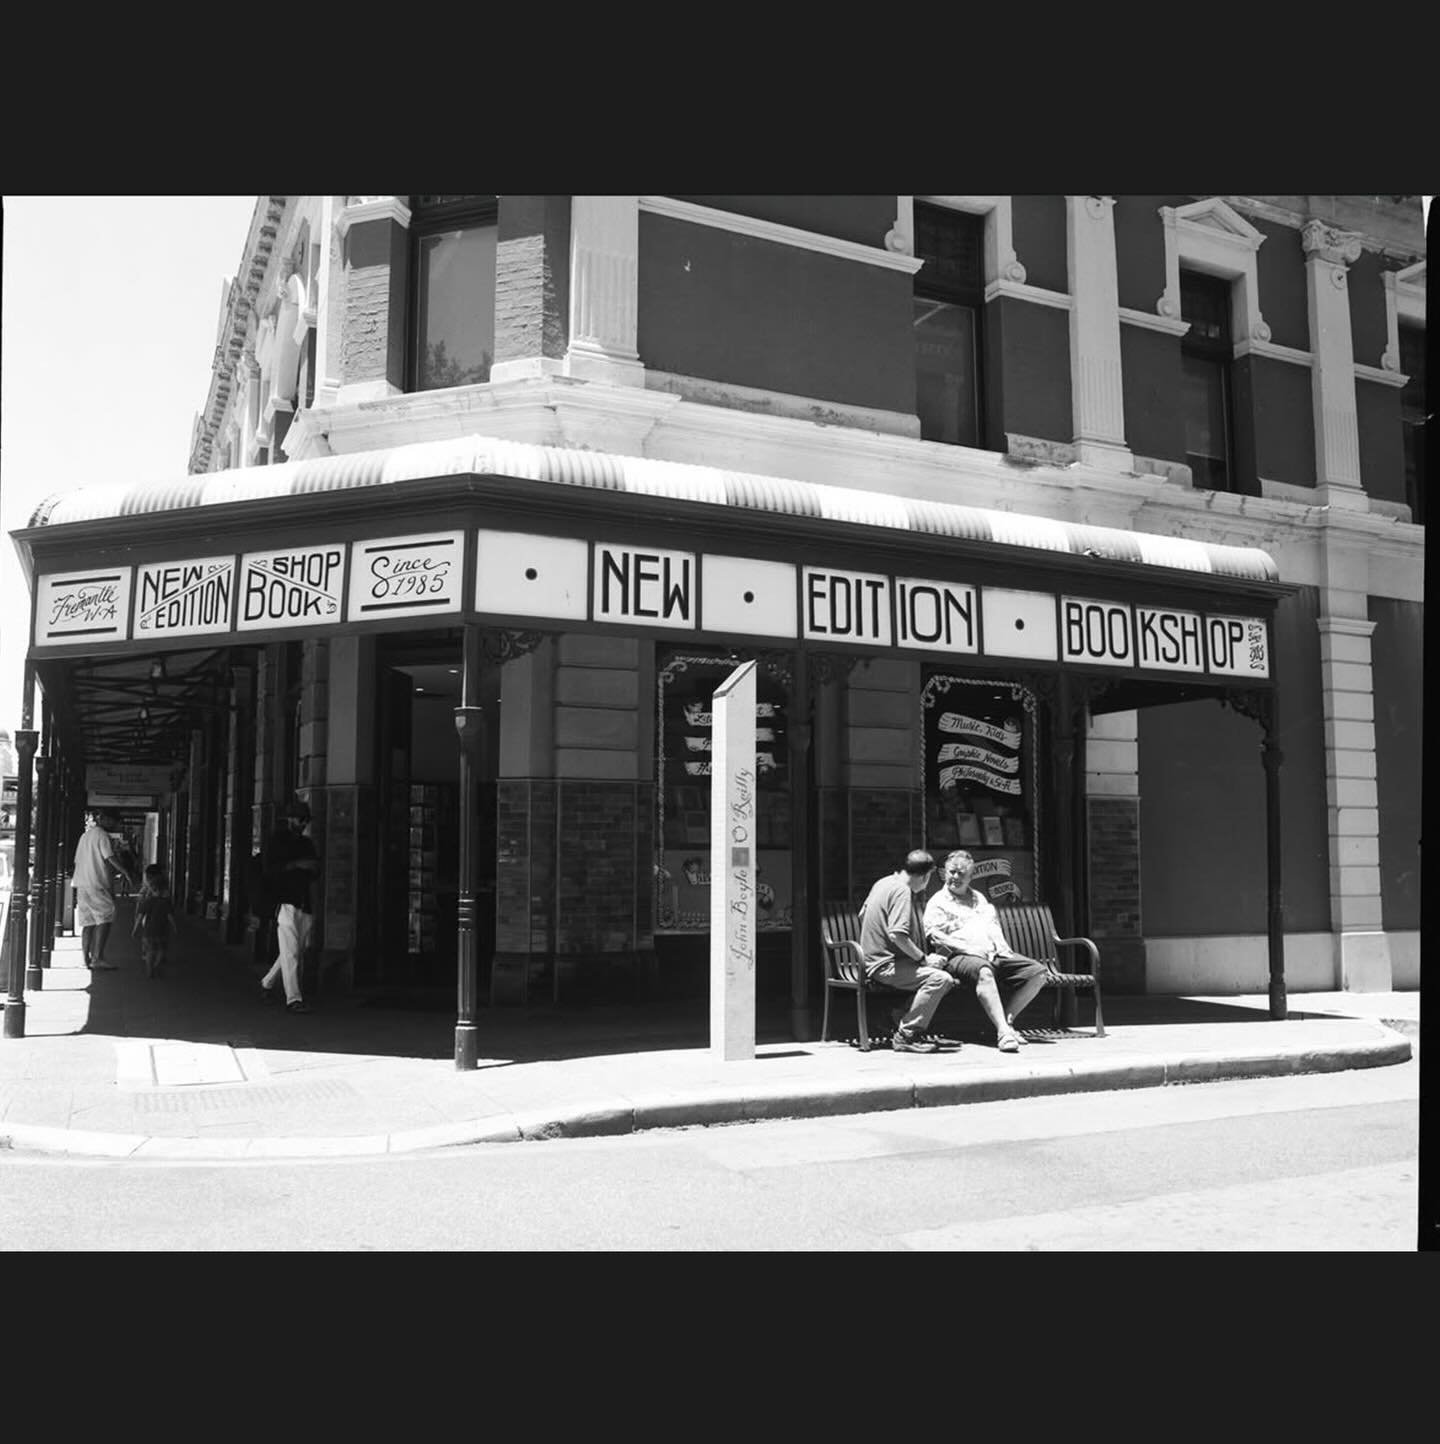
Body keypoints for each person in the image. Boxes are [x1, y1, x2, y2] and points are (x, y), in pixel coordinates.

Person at [922, 849, 1049, 1053]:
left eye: (960, 873)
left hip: (992, 953)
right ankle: (1003, 1033)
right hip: (959, 957)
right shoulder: (938, 902)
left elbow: (992, 925)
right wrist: (968, 948)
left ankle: (1007, 1020)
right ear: (945, 872)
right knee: (985, 972)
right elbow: (935, 935)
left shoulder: (979, 898)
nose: (954, 877)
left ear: (970, 876)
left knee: (1039, 973)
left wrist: (1002, 948)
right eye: (951, 872)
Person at [857, 849, 959, 1054]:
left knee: (942, 977)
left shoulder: (883, 882)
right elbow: (897, 935)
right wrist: (923, 959)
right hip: (884, 966)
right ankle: (907, 1034)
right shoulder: (902, 891)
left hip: (873, 960)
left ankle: (896, 1017)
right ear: (925, 876)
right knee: (941, 979)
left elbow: (862, 915)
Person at [259, 798, 319, 1014]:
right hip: (284, 902)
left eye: (305, 820)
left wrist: (305, 867)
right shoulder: (277, 841)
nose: (303, 824)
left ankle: (267, 982)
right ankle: (293, 998)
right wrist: (297, 865)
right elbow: (269, 870)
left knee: (293, 951)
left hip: (304, 902)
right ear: (290, 819)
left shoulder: (306, 843)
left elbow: (315, 869)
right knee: (292, 952)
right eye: (300, 819)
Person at [72, 809, 132, 970]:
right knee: (105, 917)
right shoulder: (102, 836)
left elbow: (77, 859)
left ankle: (85, 959)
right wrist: (125, 871)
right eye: (113, 821)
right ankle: (97, 957)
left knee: (88, 922)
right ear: (105, 819)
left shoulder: (85, 836)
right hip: (95, 883)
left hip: (81, 883)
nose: (114, 824)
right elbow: (109, 858)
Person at [132, 864, 176, 978]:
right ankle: (157, 963)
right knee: (161, 949)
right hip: (162, 930)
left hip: (148, 929)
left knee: (149, 949)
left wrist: (135, 928)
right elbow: (170, 916)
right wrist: (174, 927)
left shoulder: (146, 896)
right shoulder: (166, 899)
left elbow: (140, 913)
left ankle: (148, 964)